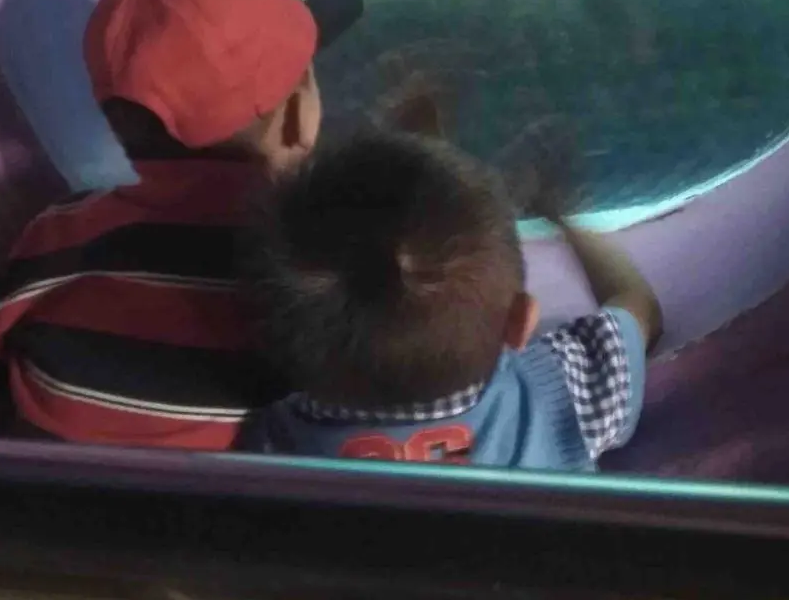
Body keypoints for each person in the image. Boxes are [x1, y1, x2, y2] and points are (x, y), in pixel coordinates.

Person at [0, 0, 363, 448]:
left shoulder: (57, 239)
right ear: (297, 118)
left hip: (54, 493)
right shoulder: (326, 269)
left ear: (115, 124)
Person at [240, 124, 663, 470]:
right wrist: (563, 217)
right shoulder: (558, 386)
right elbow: (636, 305)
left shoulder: (272, 446)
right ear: (521, 321)